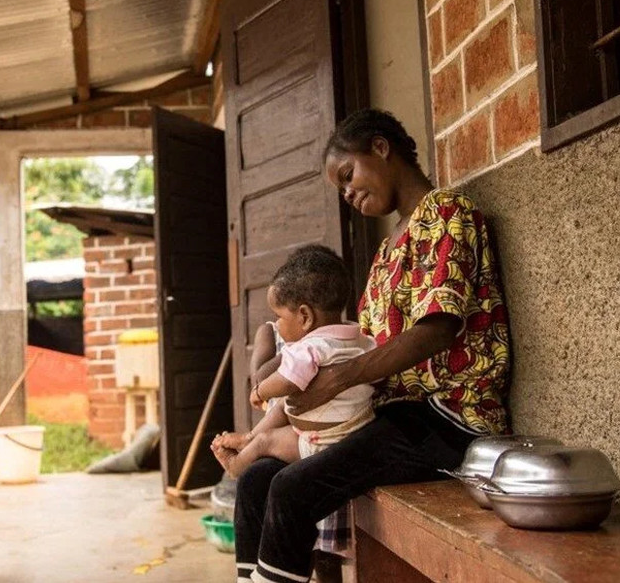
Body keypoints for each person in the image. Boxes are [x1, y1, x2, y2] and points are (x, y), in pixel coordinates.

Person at [233, 109, 510, 583]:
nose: (348, 194)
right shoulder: (386, 253)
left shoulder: (449, 215)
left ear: (380, 149)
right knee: (260, 477)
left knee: (295, 489)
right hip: (392, 417)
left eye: (349, 176)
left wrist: (341, 378)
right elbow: (359, 341)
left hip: (448, 418)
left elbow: (437, 330)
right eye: (341, 189)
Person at [211, 245, 376, 479]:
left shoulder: (309, 348)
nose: (276, 324)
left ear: (305, 317)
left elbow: (286, 380)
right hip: (356, 432)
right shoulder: (359, 337)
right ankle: (249, 437)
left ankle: (236, 466)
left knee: (266, 441)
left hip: (322, 442)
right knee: (284, 407)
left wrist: (260, 390)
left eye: (279, 316)